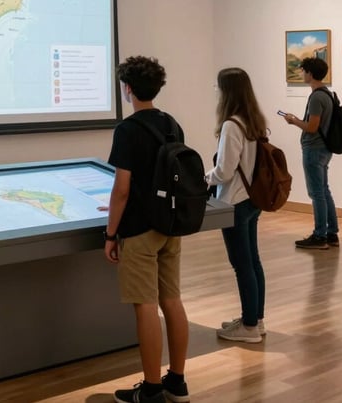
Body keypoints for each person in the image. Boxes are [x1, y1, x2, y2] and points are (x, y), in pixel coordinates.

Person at [104, 56, 190, 403]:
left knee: (145, 305)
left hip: (139, 230)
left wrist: (111, 234)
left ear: (127, 89)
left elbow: (122, 188)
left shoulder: (127, 130)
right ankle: (177, 383)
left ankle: (152, 388)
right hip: (170, 224)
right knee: (172, 300)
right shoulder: (172, 124)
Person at [206, 67, 267, 343]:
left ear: (226, 91)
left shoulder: (232, 124)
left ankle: (250, 326)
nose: (215, 92)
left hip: (234, 202)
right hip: (252, 200)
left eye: (218, 87)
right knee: (252, 262)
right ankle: (255, 318)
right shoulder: (253, 119)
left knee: (241, 264)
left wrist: (202, 178)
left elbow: (224, 172)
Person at [282, 57, 338, 250]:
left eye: (304, 71)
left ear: (310, 74)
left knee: (317, 194)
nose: (302, 74)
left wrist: (293, 120)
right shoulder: (327, 94)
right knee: (324, 191)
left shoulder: (316, 97)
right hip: (324, 149)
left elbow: (312, 127)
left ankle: (320, 235)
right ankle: (332, 234)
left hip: (314, 149)